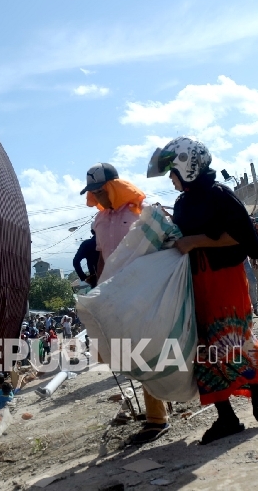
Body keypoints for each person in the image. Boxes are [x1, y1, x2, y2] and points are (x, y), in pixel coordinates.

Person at [147, 136, 258, 444]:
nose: (171, 180)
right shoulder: (184, 202)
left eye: (172, 173)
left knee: (230, 340)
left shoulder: (218, 195)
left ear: (187, 168)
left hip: (224, 278)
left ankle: (257, 387)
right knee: (204, 348)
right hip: (197, 282)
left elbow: (240, 236)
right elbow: (187, 235)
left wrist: (196, 241)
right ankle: (226, 417)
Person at [82, 161, 169, 445]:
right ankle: (161, 405)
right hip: (116, 293)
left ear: (113, 187)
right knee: (132, 351)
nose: (98, 197)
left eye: (101, 190)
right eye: (93, 192)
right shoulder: (100, 220)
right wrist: (99, 288)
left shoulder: (141, 212)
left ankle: (157, 418)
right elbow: (103, 256)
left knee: (147, 348)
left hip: (145, 289)